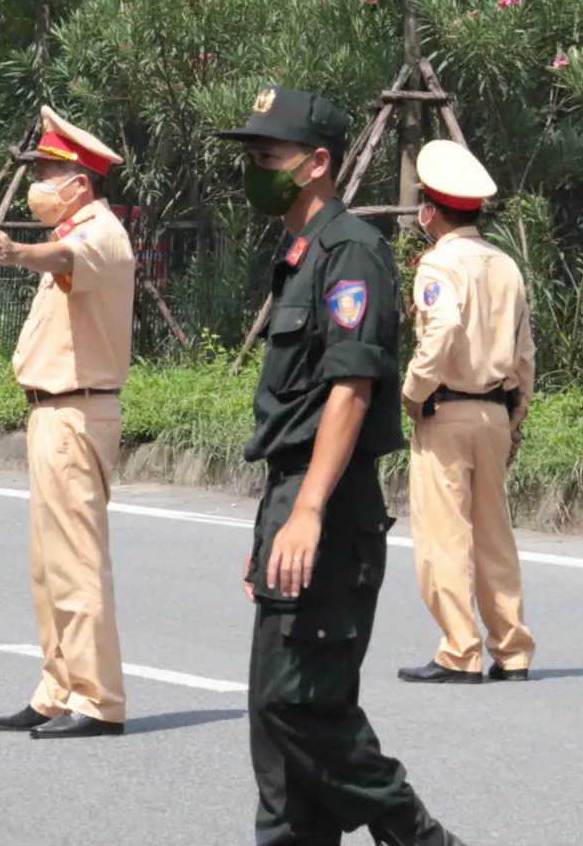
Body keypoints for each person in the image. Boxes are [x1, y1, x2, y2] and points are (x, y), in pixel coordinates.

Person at [217, 86, 466, 846]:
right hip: (294, 490)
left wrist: (308, 510)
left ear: (318, 162)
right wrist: (278, 517)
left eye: (268, 157)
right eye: (250, 156)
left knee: (302, 705)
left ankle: (416, 835)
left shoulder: (350, 249)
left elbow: (350, 389)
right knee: (277, 728)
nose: (254, 169)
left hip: (328, 501)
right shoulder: (299, 254)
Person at [0, 105, 133, 740]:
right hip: (54, 412)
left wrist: (19, 252)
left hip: (77, 411)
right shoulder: (81, 228)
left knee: (75, 561)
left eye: (48, 170)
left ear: (80, 181)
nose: (38, 181)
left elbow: (65, 255)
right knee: (49, 565)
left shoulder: (98, 232)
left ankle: (98, 700)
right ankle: (58, 687)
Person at [398, 139, 535, 685]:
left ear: (431, 209)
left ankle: (460, 650)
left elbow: (445, 328)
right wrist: (515, 418)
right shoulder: (506, 266)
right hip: (495, 414)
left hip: (447, 411)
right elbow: (525, 355)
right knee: (494, 535)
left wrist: (413, 390)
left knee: (444, 534)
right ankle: (513, 650)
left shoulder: (438, 265)